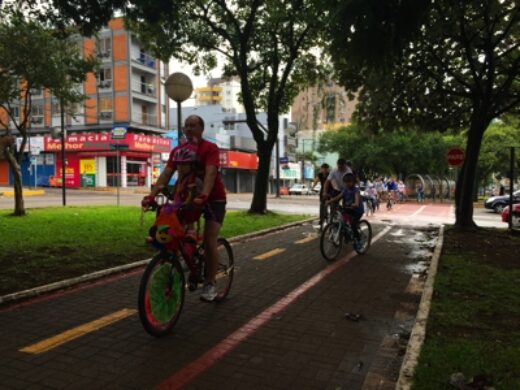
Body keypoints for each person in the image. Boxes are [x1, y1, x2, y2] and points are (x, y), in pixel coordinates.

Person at [142, 115, 227, 302]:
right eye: (186, 126)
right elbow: (166, 173)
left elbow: (211, 173)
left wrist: (204, 193)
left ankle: (210, 283)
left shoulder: (210, 149)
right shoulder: (178, 151)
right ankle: (189, 259)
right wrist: (152, 195)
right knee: (177, 229)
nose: (189, 129)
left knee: (209, 238)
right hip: (186, 197)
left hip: (213, 198)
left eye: (193, 126)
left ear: (201, 129)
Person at [328, 173, 364, 248]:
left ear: (353, 182)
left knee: (353, 225)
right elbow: (338, 197)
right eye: (346, 182)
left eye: (349, 182)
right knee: (343, 222)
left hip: (357, 211)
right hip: (348, 209)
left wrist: (354, 204)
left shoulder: (356, 191)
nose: (347, 184)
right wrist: (330, 201)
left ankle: (359, 241)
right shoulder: (345, 190)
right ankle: (347, 237)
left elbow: (357, 202)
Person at [312, 163, 331, 229]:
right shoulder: (320, 175)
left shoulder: (330, 174)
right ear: (321, 169)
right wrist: (313, 187)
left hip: (330, 192)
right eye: (323, 169)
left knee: (331, 206)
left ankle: (331, 219)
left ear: (328, 169)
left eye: (326, 169)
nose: (324, 170)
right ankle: (321, 220)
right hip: (323, 192)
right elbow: (316, 180)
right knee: (322, 207)